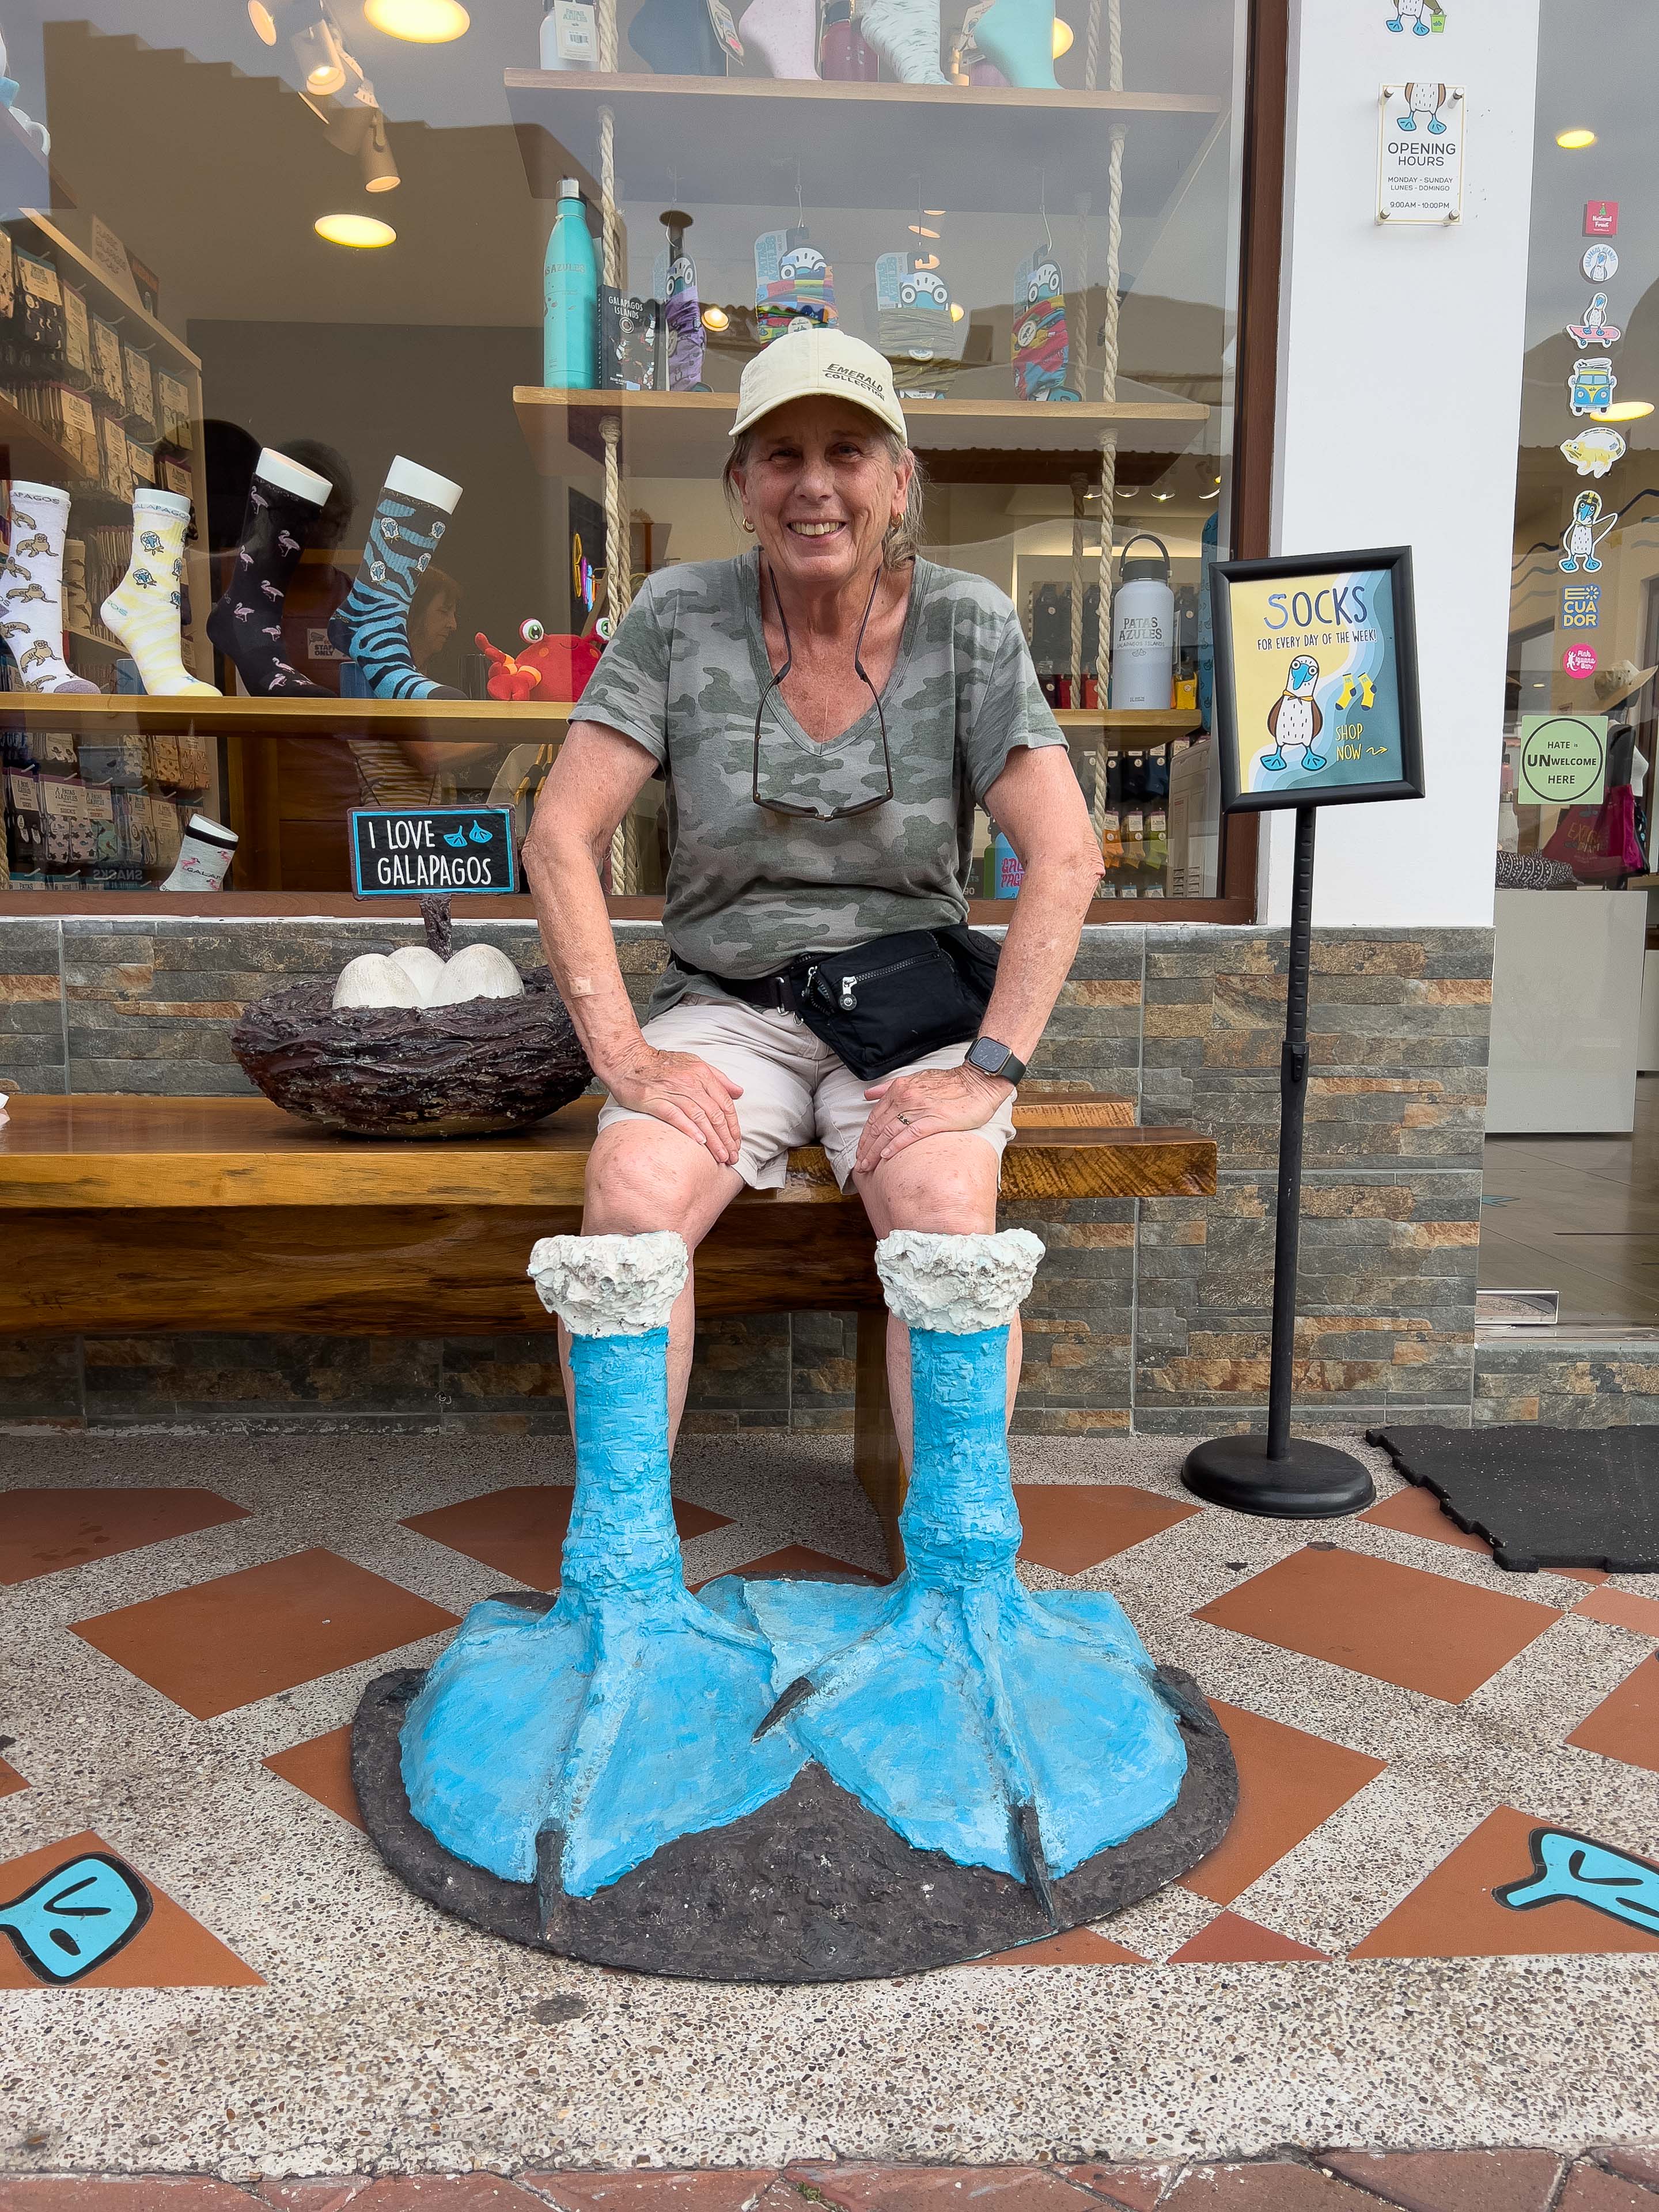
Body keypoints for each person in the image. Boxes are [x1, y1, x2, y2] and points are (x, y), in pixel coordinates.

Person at [523, 328, 1103, 1461]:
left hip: (908, 1008)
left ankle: (958, 1568)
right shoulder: (679, 616)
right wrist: (625, 1058)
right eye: (781, 455)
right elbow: (559, 833)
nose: (816, 484)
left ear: (900, 482)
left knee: (945, 1207)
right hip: (732, 1004)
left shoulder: (965, 620)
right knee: (632, 1188)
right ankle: (622, 1568)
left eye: (849, 450)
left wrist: (990, 1071)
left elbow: (1068, 855)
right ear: (742, 488)